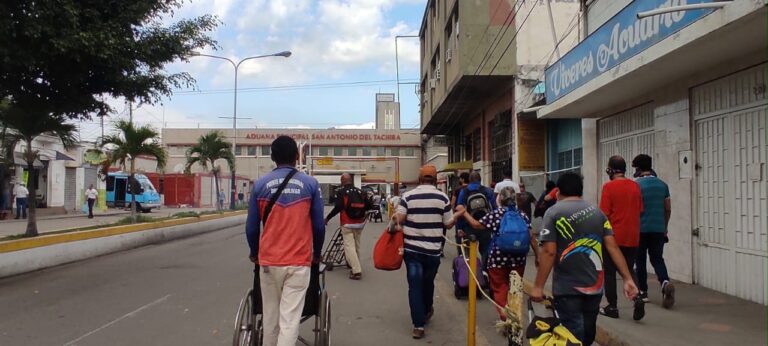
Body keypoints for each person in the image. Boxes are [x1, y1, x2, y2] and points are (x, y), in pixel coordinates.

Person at [531, 172, 639, 346]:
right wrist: (627, 278)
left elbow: (549, 252)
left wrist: (538, 286)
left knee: (572, 336)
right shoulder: (597, 212)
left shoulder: (553, 212)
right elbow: (612, 247)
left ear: (558, 191)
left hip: (568, 290)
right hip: (594, 288)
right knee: (588, 334)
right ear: (581, 190)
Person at [245, 135, 325, 346]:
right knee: (289, 321)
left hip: (269, 261)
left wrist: (254, 252)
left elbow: (252, 228)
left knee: (270, 319)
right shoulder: (310, 184)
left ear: (272, 157)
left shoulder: (260, 184)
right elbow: (318, 225)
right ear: (297, 156)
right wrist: (316, 253)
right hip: (298, 262)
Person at [393, 165, 462, 339]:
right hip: (432, 252)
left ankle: (418, 326)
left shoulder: (407, 196)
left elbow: (399, 218)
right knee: (428, 281)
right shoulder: (443, 198)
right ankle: (427, 308)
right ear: (435, 178)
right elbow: (448, 224)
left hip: (413, 250)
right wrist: (458, 214)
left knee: (415, 286)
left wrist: (396, 219)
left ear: (419, 178)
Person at [457, 187, 539, 320]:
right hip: (518, 259)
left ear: (500, 199)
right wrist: (537, 256)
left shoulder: (495, 214)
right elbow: (532, 238)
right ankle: (515, 314)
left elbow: (476, 225)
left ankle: (504, 315)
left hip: (497, 260)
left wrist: (464, 212)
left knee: (500, 287)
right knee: (515, 288)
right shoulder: (522, 215)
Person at [599, 155, 645, 320]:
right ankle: (637, 296)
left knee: (610, 272)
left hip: (613, 237)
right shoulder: (635, 186)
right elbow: (640, 210)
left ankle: (612, 306)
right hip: (633, 236)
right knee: (628, 269)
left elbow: (603, 215)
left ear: (610, 170)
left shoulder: (608, 187)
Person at [632, 154, 675, 308]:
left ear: (637, 168)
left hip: (640, 229)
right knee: (657, 258)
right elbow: (668, 209)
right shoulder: (663, 185)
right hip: (658, 229)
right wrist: (665, 227)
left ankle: (643, 292)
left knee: (640, 260)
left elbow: (633, 209)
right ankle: (665, 282)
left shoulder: (635, 186)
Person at [325, 173, 371, 280]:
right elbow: (369, 205)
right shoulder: (361, 192)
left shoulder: (342, 192)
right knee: (357, 246)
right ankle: (354, 265)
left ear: (342, 181)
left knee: (349, 247)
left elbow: (338, 207)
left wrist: (327, 218)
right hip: (360, 223)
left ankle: (356, 271)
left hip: (347, 223)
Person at [456, 171, 497, 267]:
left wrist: (459, 228)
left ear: (469, 180)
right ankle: (485, 273)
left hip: (468, 226)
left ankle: (470, 276)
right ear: (480, 180)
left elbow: (459, 210)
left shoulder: (464, 191)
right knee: (486, 252)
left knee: (468, 253)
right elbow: (494, 209)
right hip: (485, 227)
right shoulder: (488, 191)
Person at [450, 172, 470, 254]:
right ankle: (468, 252)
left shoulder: (458, 189)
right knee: (468, 233)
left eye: (460, 178)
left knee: (458, 234)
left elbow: (453, 203)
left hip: (459, 215)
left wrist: (452, 214)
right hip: (469, 215)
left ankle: (460, 253)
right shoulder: (470, 189)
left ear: (462, 179)